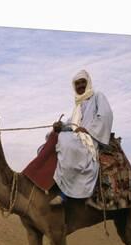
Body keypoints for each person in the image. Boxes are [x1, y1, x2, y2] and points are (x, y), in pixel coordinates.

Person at [49, 69, 113, 206]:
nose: (80, 86)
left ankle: (65, 193)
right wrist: (60, 126)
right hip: (78, 135)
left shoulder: (97, 96)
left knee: (67, 145)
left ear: (88, 82)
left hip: (92, 137)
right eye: (77, 84)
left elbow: (106, 115)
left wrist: (88, 130)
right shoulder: (78, 105)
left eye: (83, 82)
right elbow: (72, 124)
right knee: (52, 136)